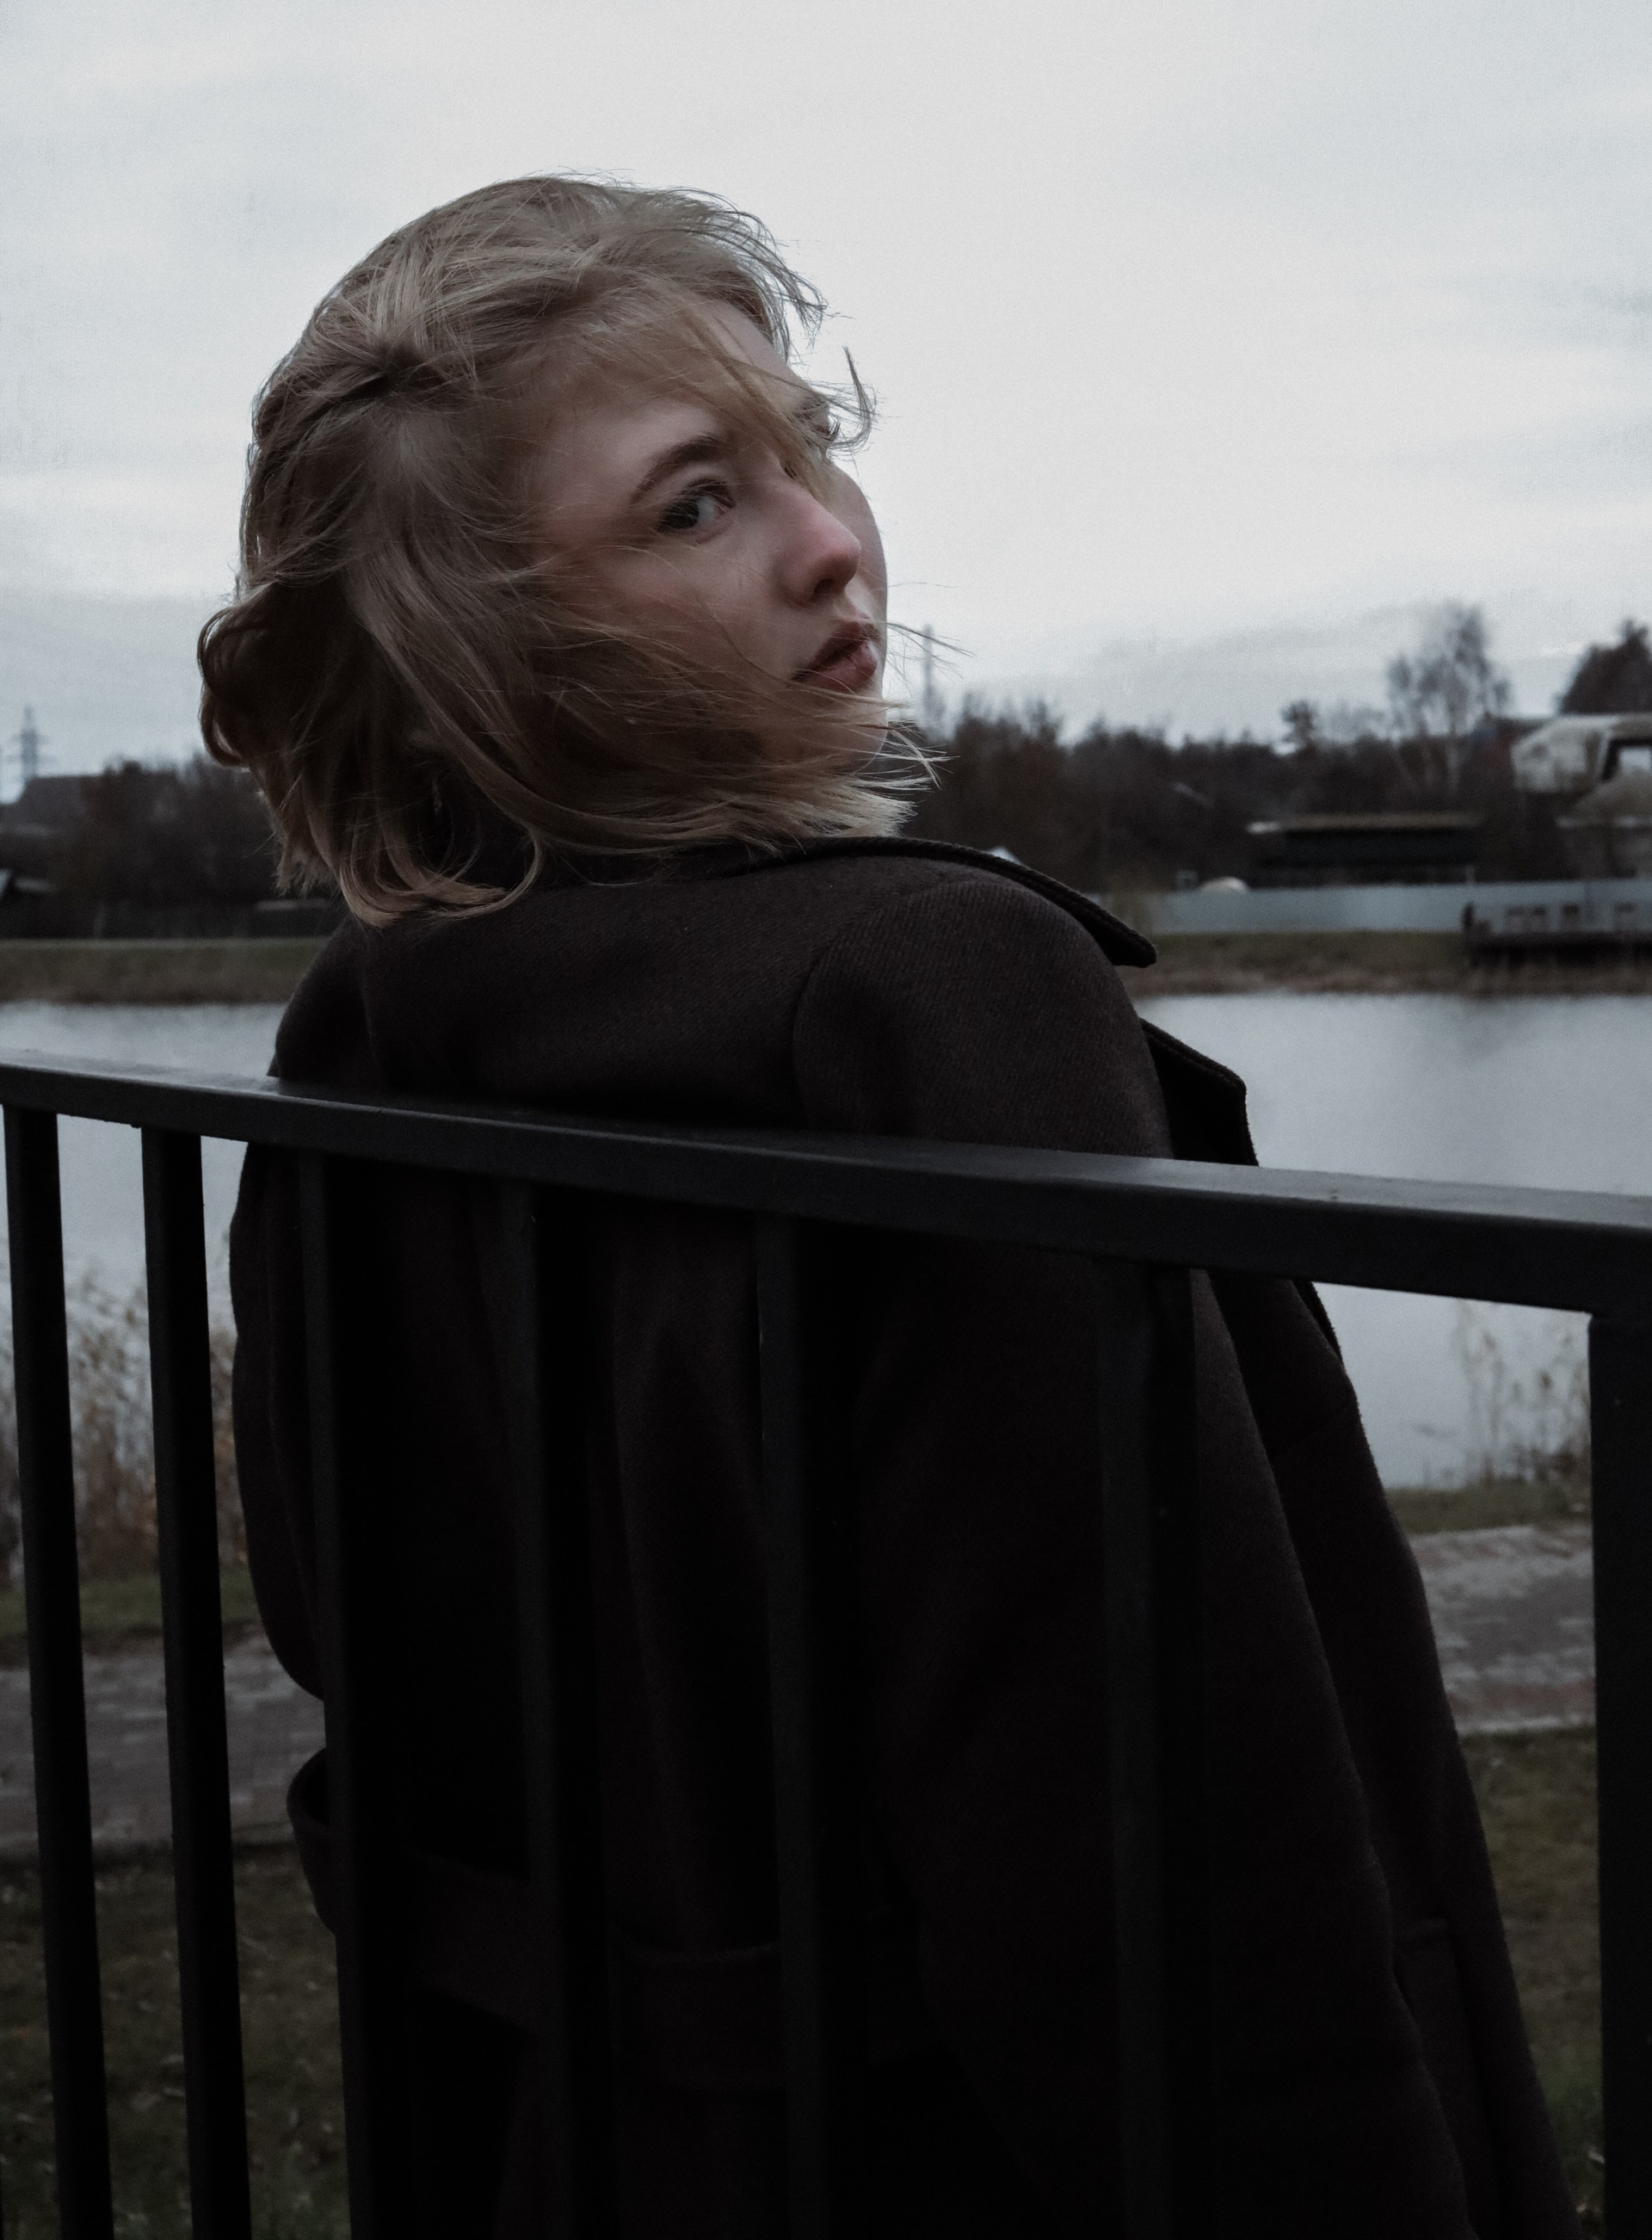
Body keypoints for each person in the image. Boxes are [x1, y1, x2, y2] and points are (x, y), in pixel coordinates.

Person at [206, 176, 1577, 2240]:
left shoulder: (381, 1019)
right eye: (696, 502)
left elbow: (362, 1651)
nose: (833, 536)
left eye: (809, 449)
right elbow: (1157, 1840)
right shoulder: (930, 989)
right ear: (481, 645)